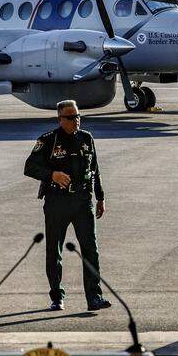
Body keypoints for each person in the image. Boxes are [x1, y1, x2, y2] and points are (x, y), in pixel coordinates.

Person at [24, 100, 111, 312]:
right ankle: (57, 296)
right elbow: (29, 167)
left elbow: (95, 169)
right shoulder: (49, 140)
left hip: (83, 203)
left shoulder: (86, 138)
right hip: (57, 203)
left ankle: (94, 297)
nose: (76, 121)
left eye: (78, 116)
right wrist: (51, 175)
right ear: (60, 119)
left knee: (91, 250)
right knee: (54, 251)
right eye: (71, 117)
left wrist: (100, 197)